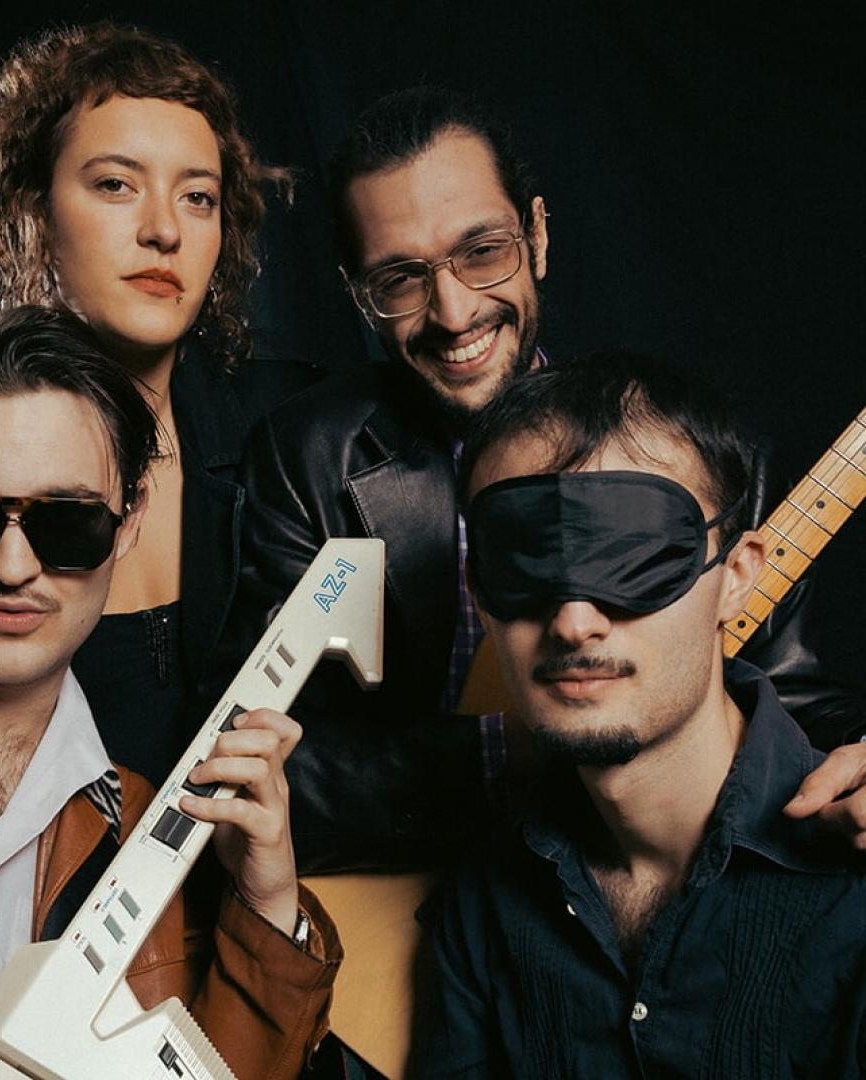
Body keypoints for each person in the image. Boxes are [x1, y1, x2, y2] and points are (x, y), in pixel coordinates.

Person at [221, 85, 866, 872]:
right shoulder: (308, 458)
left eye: (483, 252)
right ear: (361, 298)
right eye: (400, 280)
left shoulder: (691, 453)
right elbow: (261, 754)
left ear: (538, 235)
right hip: (417, 899)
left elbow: (796, 702)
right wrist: (508, 754)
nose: (453, 313)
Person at [0, 307, 339, 1080]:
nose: (13, 567)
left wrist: (267, 908)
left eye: (69, 523)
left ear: (128, 522)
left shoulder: (143, 828)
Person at [0, 21, 318, 786]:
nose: (164, 231)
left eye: (198, 197)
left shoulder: (298, 431)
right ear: (32, 209)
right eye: (116, 185)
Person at [417, 352, 865, 1077]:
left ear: (738, 578)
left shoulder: (852, 892)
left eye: (633, 553)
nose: (574, 623)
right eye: (525, 558)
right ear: (479, 595)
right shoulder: (483, 906)